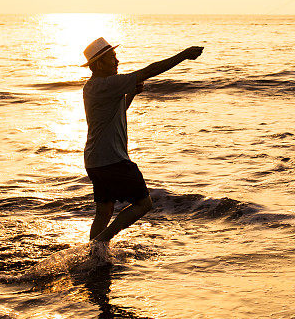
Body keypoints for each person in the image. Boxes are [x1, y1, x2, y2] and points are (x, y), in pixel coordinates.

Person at [80, 37, 203, 244]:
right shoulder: (108, 83)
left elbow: (114, 115)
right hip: (112, 159)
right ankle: (101, 243)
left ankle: (94, 252)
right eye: (112, 58)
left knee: (104, 210)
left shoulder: (93, 87)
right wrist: (183, 55)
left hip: (95, 161)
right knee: (144, 204)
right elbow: (149, 71)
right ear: (99, 64)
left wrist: (131, 96)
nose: (117, 61)